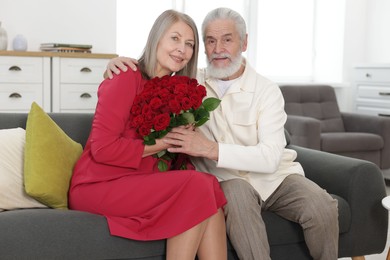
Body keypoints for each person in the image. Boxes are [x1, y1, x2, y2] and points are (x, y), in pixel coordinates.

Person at [105, 7, 339, 260]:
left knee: (322, 206)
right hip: (225, 180)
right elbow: (154, 67)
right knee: (238, 198)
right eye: (210, 40)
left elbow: (271, 157)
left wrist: (209, 148)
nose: (218, 49)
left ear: (244, 42)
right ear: (203, 47)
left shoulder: (267, 90)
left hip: (276, 178)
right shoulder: (188, 82)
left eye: (227, 39)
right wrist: (115, 62)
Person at [68, 10, 228, 260]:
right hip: (99, 184)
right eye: (174, 38)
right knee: (199, 187)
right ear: (157, 38)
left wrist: (183, 141)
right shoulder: (125, 76)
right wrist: (163, 142)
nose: (182, 49)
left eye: (189, 44)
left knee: (211, 199)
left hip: (141, 182)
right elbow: (102, 148)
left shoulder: (179, 93)